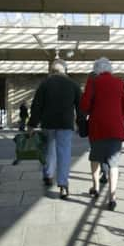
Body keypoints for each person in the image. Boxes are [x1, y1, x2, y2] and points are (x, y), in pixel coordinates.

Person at [79, 57, 124, 211]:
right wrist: (121, 119)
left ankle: (95, 188)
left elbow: (84, 104)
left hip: (97, 127)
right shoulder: (120, 83)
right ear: (110, 69)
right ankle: (112, 197)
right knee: (114, 163)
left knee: (95, 158)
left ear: (96, 70)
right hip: (116, 127)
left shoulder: (93, 82)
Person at [28, 59, 81, 199]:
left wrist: (32, 124)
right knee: (64, 153)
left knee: (48, 151)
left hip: (48, 124)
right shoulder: (73, 85)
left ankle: (48, 176)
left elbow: (36, 106)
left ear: (52, 71)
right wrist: (82, 125)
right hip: (65, 124)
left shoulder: (45, 84)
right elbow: (80, 108)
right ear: (65, 70)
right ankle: (63, 185)